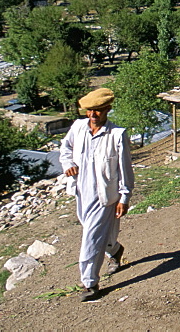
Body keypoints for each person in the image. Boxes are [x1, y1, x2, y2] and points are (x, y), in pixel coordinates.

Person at [59, 88, 134, 302]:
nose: (93, 115)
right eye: (90, 111)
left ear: (108, 110)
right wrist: (68, 164)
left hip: (105, 196)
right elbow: (65, 150)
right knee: (93, 230)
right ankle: (115, 250)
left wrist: (124, 197)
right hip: (82, 191)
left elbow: (125, 169)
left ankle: (89, 283)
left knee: (90, 238)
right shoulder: (78, 128)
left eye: (98, 111)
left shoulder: (117, 134)